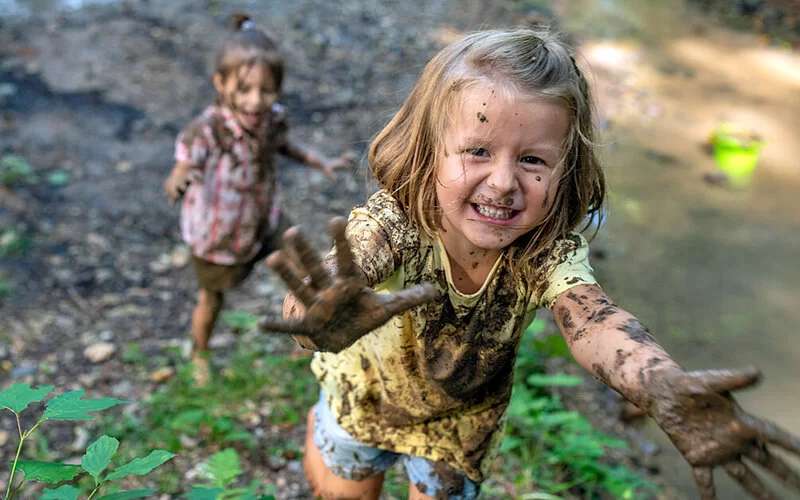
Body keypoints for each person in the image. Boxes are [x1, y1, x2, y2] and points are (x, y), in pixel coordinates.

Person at [257, 28, 800, 499]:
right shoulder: (396, 222)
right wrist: (317, 316)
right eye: (477, 151)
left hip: (461, 422)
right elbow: (318, 291)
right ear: (428, 151)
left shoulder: (543, 251)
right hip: (363, 396)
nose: (503, 182)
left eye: (533, 160)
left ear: (566, 169)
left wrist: (657, 383)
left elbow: (594, 320)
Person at [164, 14, 352, 386]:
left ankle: (313, 330)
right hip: (219, 234)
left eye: (266, 91)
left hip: (265, 217)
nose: (255, 101)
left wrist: (320, 160)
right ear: (220, 83)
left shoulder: (271, 118)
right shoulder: (207, 130)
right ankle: (201, 352)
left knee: (306, 267)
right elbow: (180, 167)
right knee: (212, 297)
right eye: (245, 89)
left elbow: (283, 145)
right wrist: (178, 181)